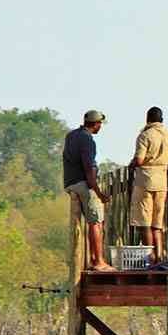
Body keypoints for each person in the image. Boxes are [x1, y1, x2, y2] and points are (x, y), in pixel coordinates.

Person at [63, 110, 115, 271]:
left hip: (70, 183)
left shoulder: (71, 135)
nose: (100, 127)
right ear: (96, 124)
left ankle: (95, 260)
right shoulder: (88, 140)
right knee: (96, 222)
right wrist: (98, 192)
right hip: (83, 184)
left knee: (91, 221)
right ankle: (98, 261)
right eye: (100, 124)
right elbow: (89, 167)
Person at [129, 106, 168, 262]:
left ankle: (150, 258)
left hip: (146, 180)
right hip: (162, 180)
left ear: (147, 119)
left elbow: (140, 160)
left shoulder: (145, 135)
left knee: (145, 221)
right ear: (161, 120)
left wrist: (132, 164)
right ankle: (160, 256)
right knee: (157, 223)